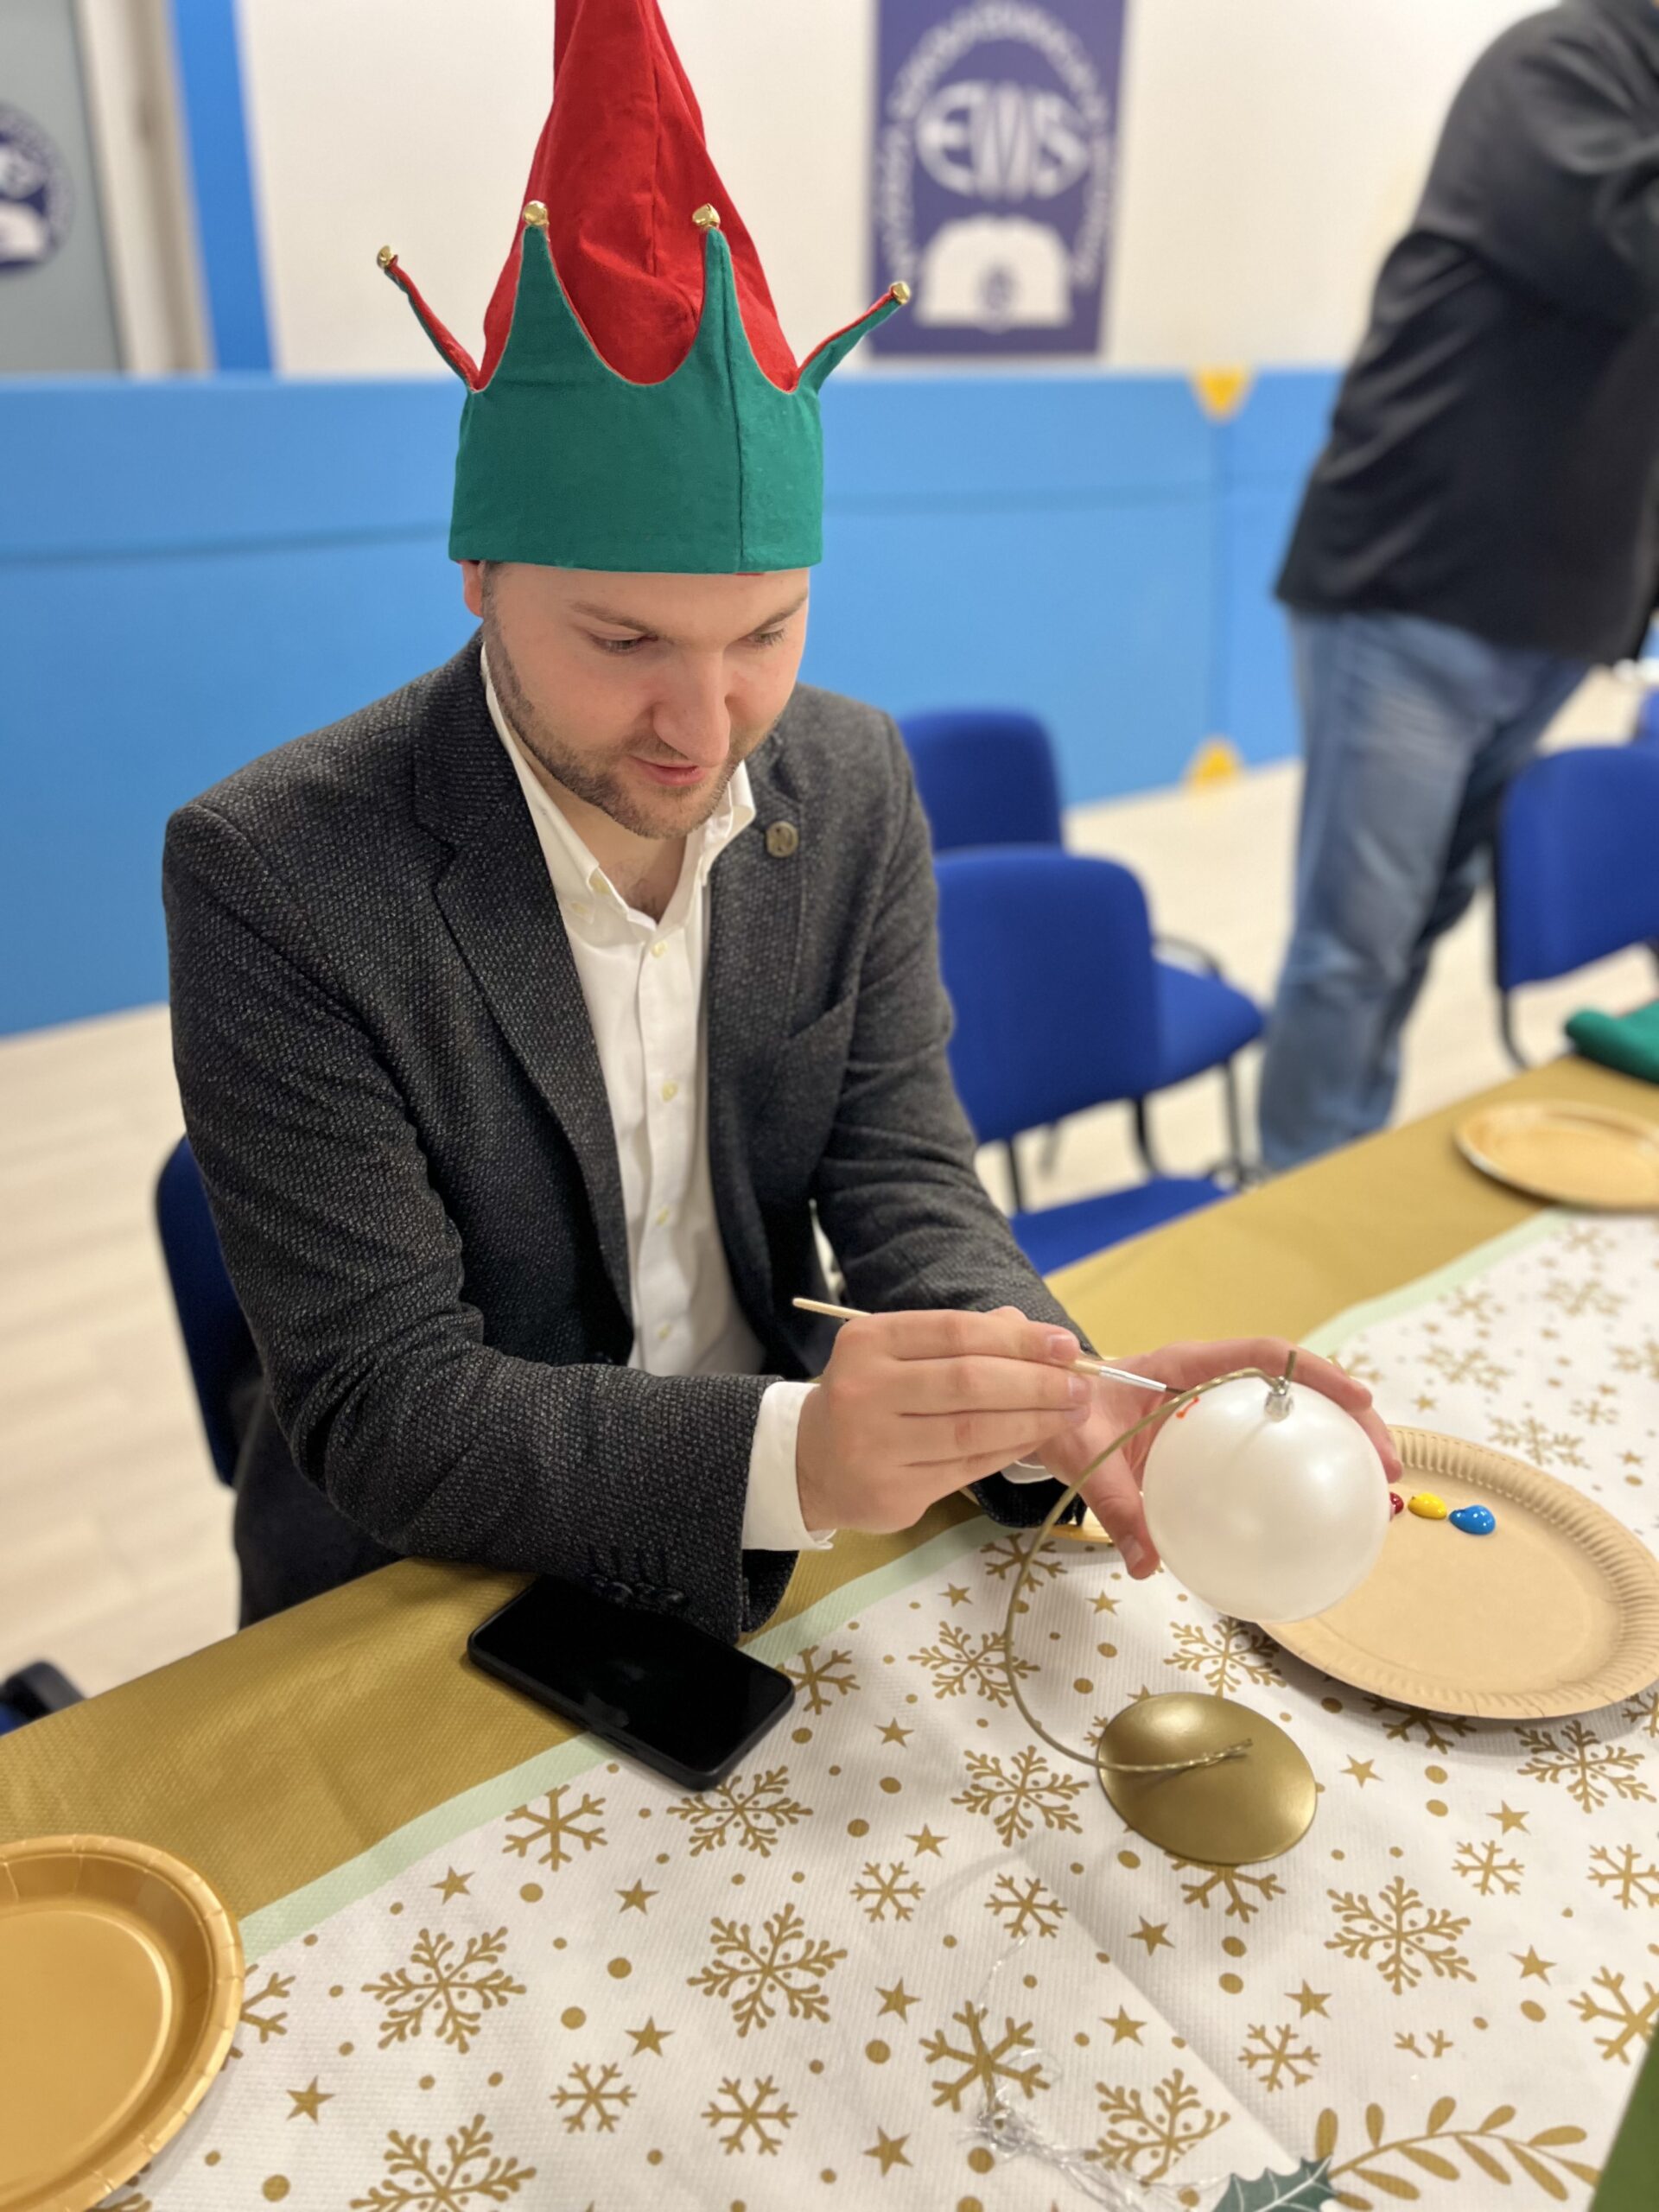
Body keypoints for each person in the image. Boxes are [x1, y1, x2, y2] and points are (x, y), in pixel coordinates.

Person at [162, 0, 1395, 1631]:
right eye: (624, 644)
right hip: (433, 1586)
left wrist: (1047, 1389)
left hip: (779, 1522)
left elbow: (902, 1168)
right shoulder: (276, 873)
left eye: (765, 633)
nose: (707, 728)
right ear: (480, 576)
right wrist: (793, 1453)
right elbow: (387, 1406)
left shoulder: (848, 775)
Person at [1261, 0, 1659, 1171]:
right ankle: (1299, 1198)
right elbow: (1631, 241)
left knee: (1420, 916)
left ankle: (1341, 1155)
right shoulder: (1565, 63)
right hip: (1415, 590)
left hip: (1551, 615)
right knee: (1355, 944)